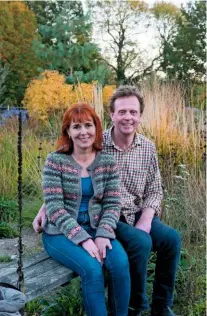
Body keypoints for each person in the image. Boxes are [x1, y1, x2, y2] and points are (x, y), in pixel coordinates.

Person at [33, 86, 181, 316]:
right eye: (122, 112)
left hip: (119, 216)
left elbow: (149, 191)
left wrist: (144, 218)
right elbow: (60, 188)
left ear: (140, 115)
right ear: (111, 115)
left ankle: (161, 307)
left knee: (168, 240)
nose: (128, 117)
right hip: (89, 222)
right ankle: (137, 307)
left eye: (133, 112)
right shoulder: (84, 146)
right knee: (127, 250)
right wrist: (47, 207)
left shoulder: (138, 150)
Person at [37, 103, 130, 316]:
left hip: (97, 227)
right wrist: (84, 239)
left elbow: (113, 203)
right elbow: (54, 207)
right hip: (60, 233)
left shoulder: (107, 161)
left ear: (96, 128)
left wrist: (104, 233)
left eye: (88, 125)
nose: (83, 132)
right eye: (76, 126)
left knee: (120, 265)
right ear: (68, 132)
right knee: (92, 270)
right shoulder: (55, 161)